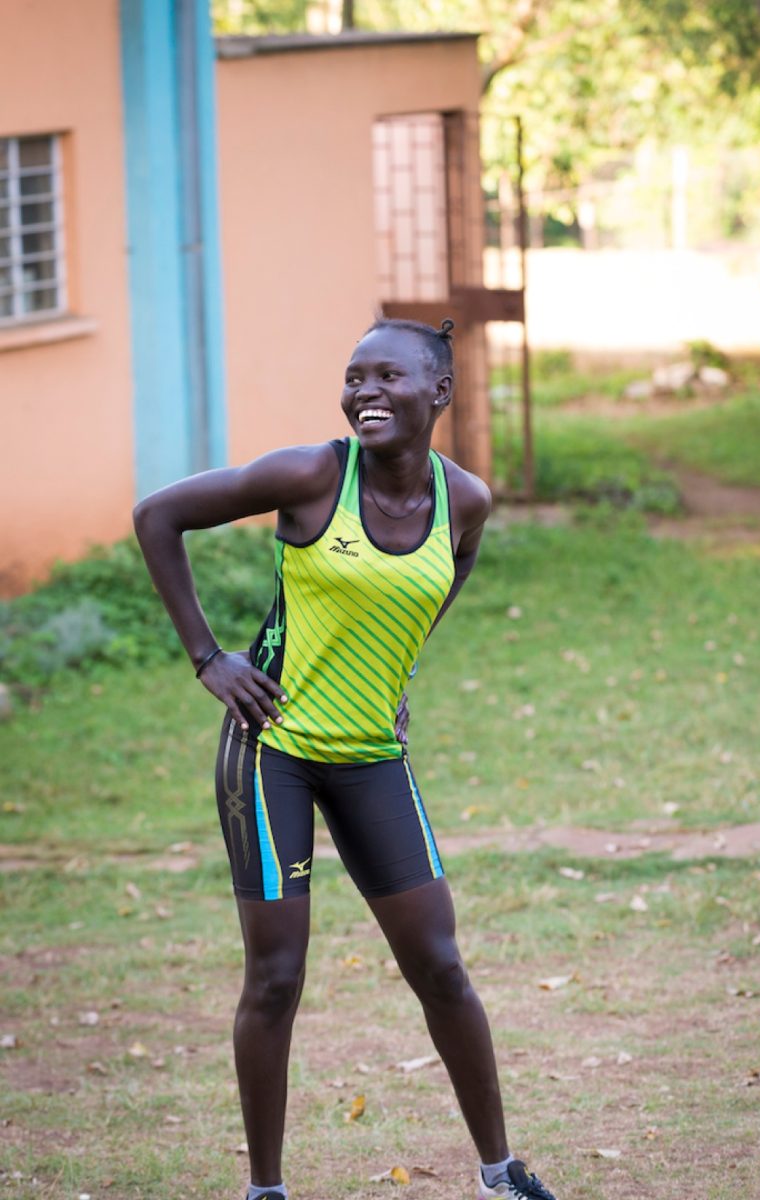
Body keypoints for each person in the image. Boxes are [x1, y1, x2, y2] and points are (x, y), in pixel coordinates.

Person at [133, 318, 559, 1200]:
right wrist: (210, 658)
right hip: (273, 748)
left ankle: (498, 1173)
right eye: (354, 377)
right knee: (277, 975)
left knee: (439, 964)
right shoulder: (311, 476)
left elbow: (447, 576)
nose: (365, 392)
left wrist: (395, 667)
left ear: (438, 392)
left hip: (370, 754)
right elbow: (158, 515)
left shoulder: (465, 501)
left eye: (388, 377)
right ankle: (265, 1191)